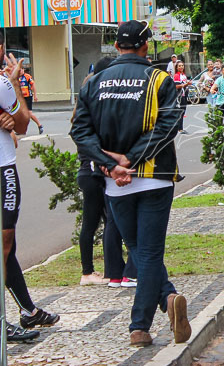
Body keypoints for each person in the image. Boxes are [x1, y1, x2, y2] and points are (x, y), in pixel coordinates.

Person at [70, 19, 191, 348]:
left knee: (139, 250)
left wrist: (112, 163)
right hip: (154, 178)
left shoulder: (93, 82)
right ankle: (142, 323)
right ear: (145, 45)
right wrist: (132, 160)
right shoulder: (160, 79)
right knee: (148, 253)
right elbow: (170, 124)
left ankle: (164, 300)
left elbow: (80, 132)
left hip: (113, 184)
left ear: (117, 46)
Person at [0, 47, 59, 342]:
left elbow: (21, 124)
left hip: (3, 170)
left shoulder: (1, 84)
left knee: (6, 244)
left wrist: (12, 85)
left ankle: (28, 311)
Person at [77, 57, 137, 289]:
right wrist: (113, 162)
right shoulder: (100, 102)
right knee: (115, 221)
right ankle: (124, 272)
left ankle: (112, 272)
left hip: (94, 171)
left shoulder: (89, 98)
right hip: (99, 172)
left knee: (106, 222)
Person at [15, 64, 43, 134]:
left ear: (23, 70)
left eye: (21, 70)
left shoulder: (27, 77)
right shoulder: (17, 78)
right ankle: (21, 130)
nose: (20, 71)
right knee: (20, 114)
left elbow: (33, 85)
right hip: (21, 98)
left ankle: (40, 125)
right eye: (19, 70)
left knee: (29, 114)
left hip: (28, 97)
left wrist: (35, 95)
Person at [172, 61, 190, 134]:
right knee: (180, 111)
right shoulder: (176, 75)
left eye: (182, 65)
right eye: (179, 66)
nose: (181, 67)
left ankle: (180, 128)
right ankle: (179, 129)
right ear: (177, 67)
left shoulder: (183, 75)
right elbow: (176, 86)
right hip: (179, 95)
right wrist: (185, 84)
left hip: (184, 94)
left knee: (183, 111)